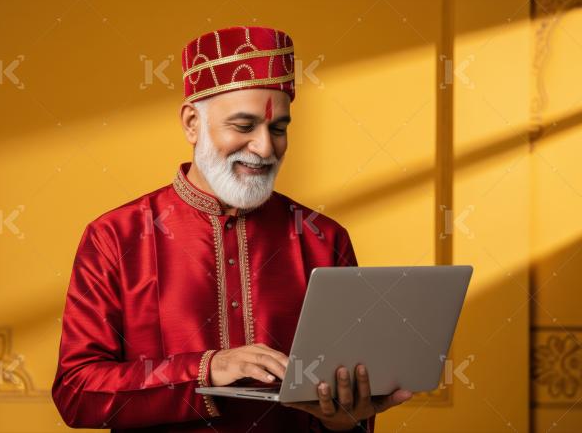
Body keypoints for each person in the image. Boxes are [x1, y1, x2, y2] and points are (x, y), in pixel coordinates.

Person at [52, 26, 412, 432]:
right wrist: (207, 369)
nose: (264, 147)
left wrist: (344, 420)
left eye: (278, 129)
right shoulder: (114, 237)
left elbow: (347, 394)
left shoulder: (324, 238)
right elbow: (77, 392)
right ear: (192, 123)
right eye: (244, 126)